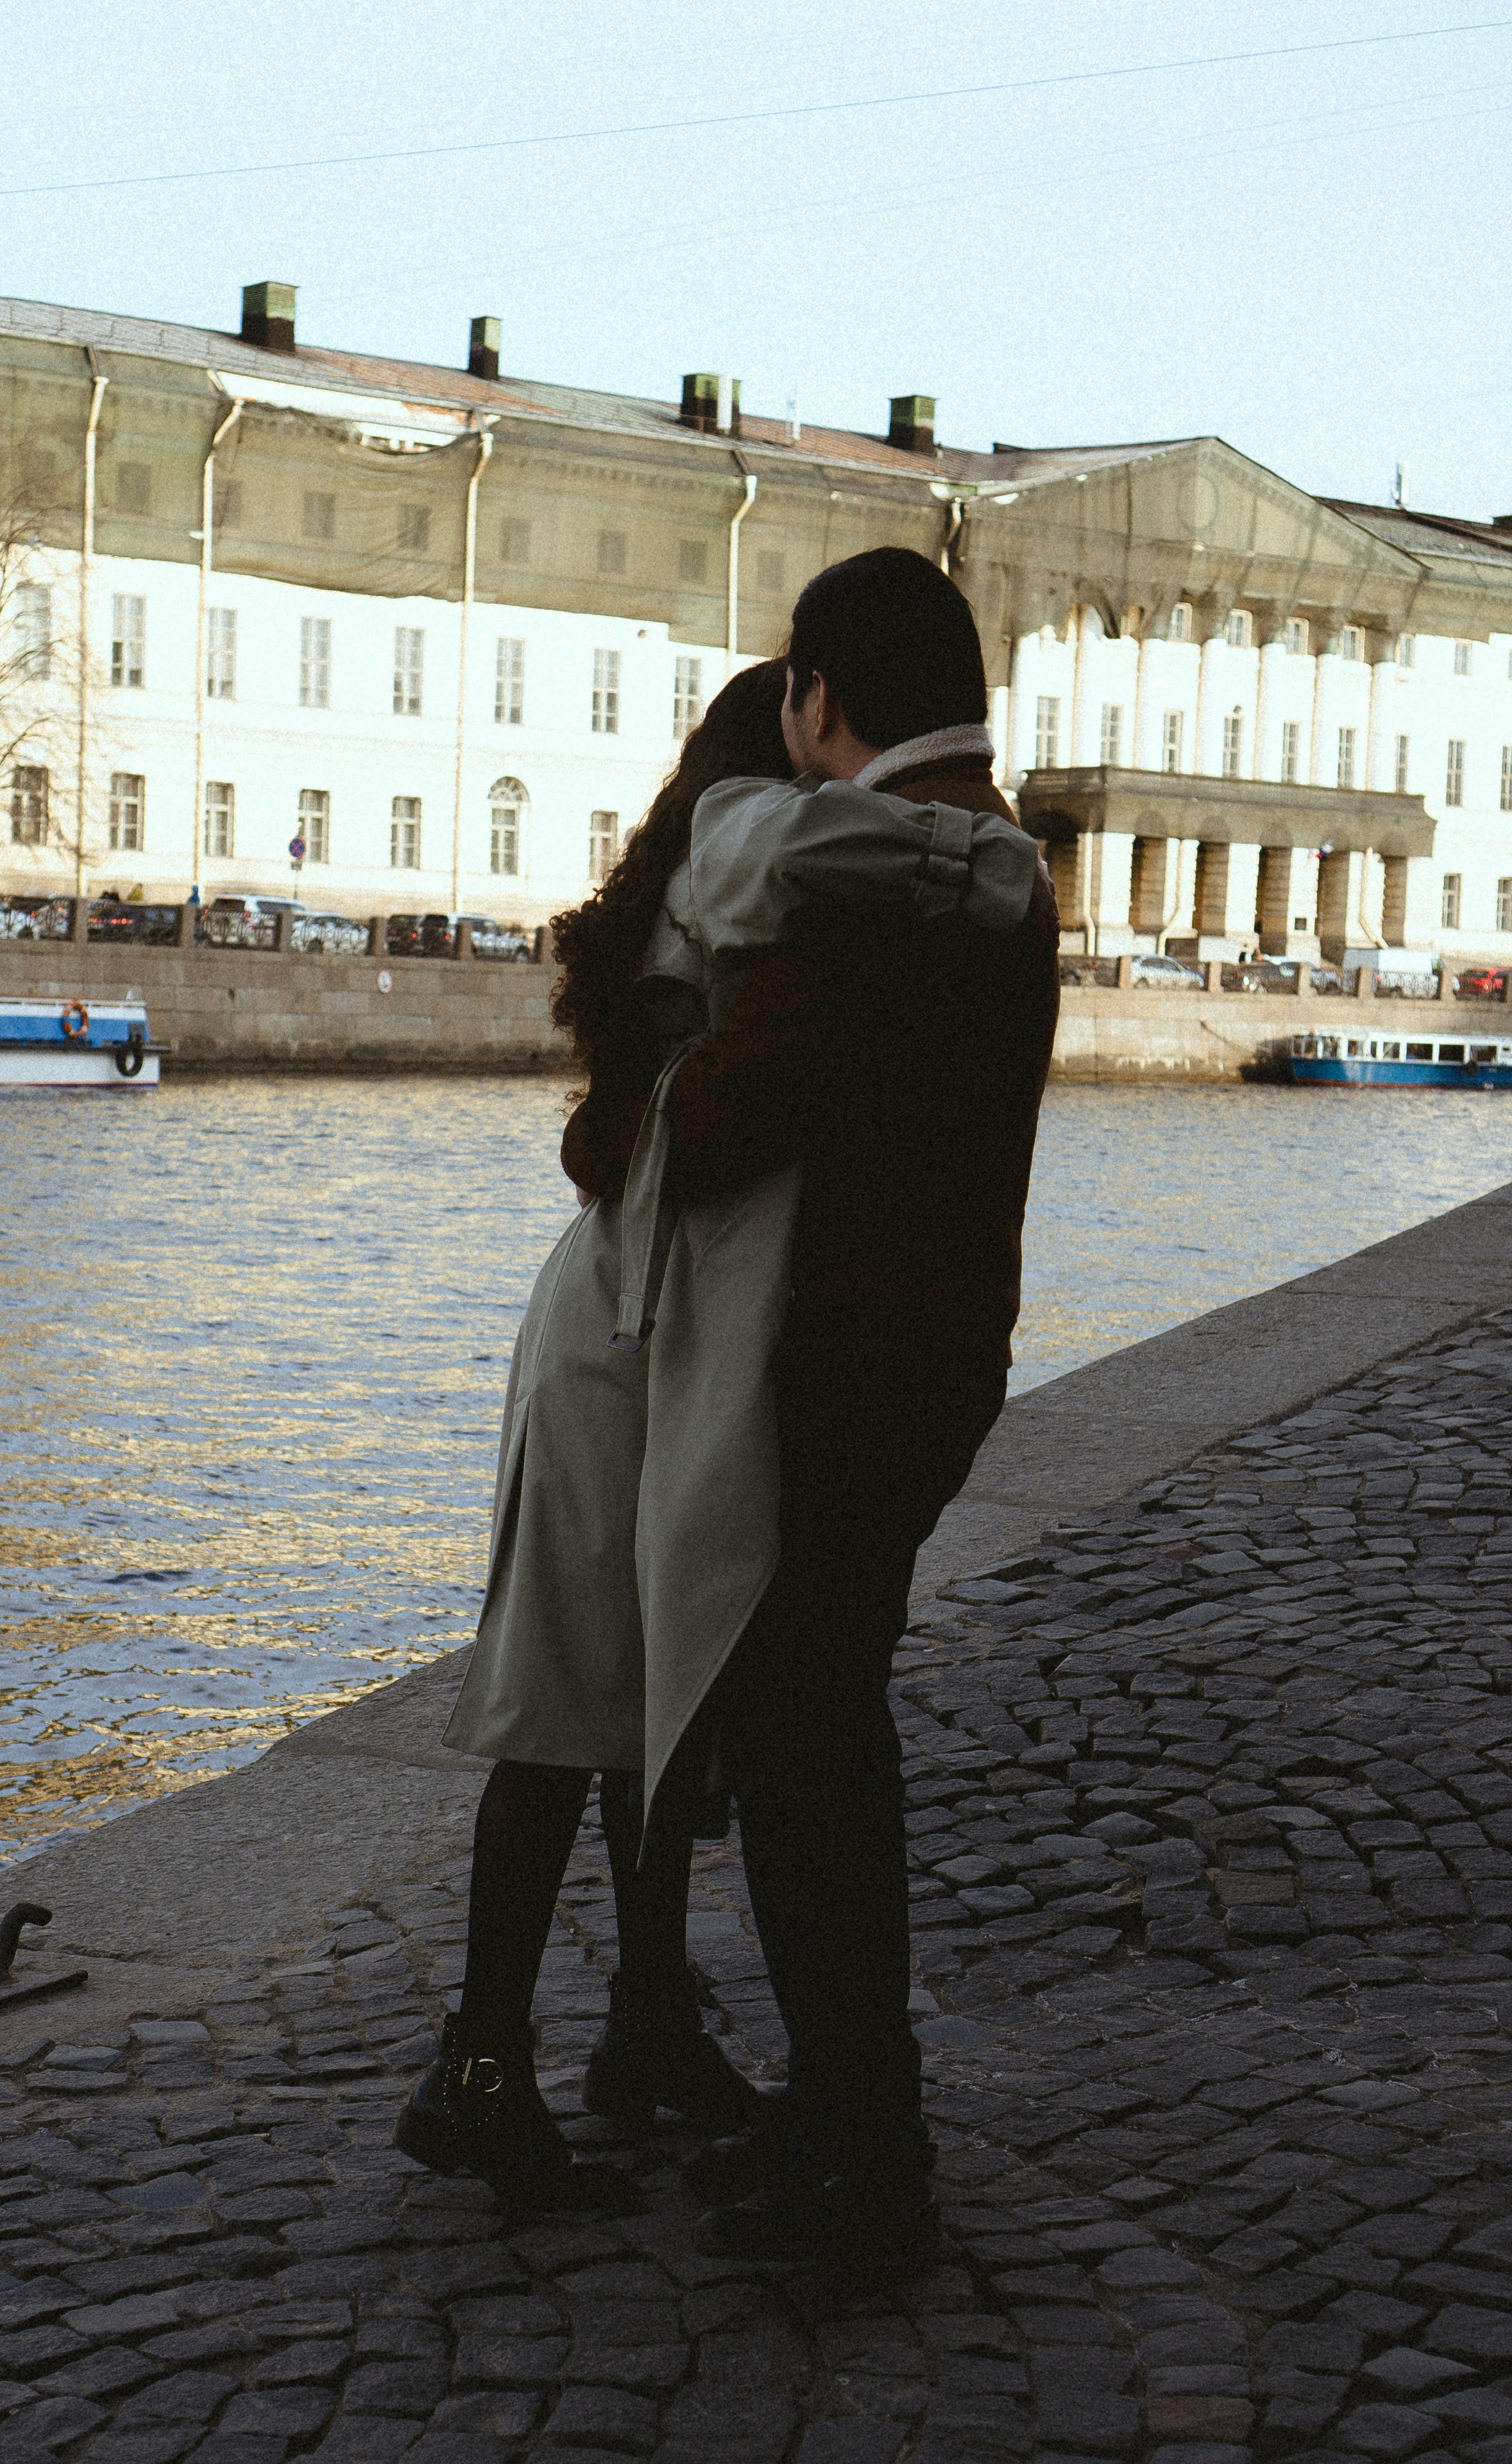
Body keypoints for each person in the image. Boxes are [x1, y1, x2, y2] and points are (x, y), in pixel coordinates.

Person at [562, 547, 1060, 2261]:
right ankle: (853, 2109)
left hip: (841, 1358)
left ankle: (863, 2140)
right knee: (825, 1726)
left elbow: (727, 1116)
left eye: (798, 701)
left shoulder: (876, 885)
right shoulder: (988, 857)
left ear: (820, 699)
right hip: (936, 1351)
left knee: (810, 1753)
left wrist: (645, 1108)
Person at [391, 663, 797, 2214]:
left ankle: (641, 2025)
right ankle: (478, 2068)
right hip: (619, 1333)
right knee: (566, 1704)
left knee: (656, 1700)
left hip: (640, 1318)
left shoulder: (692, 872)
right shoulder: (737, 862)